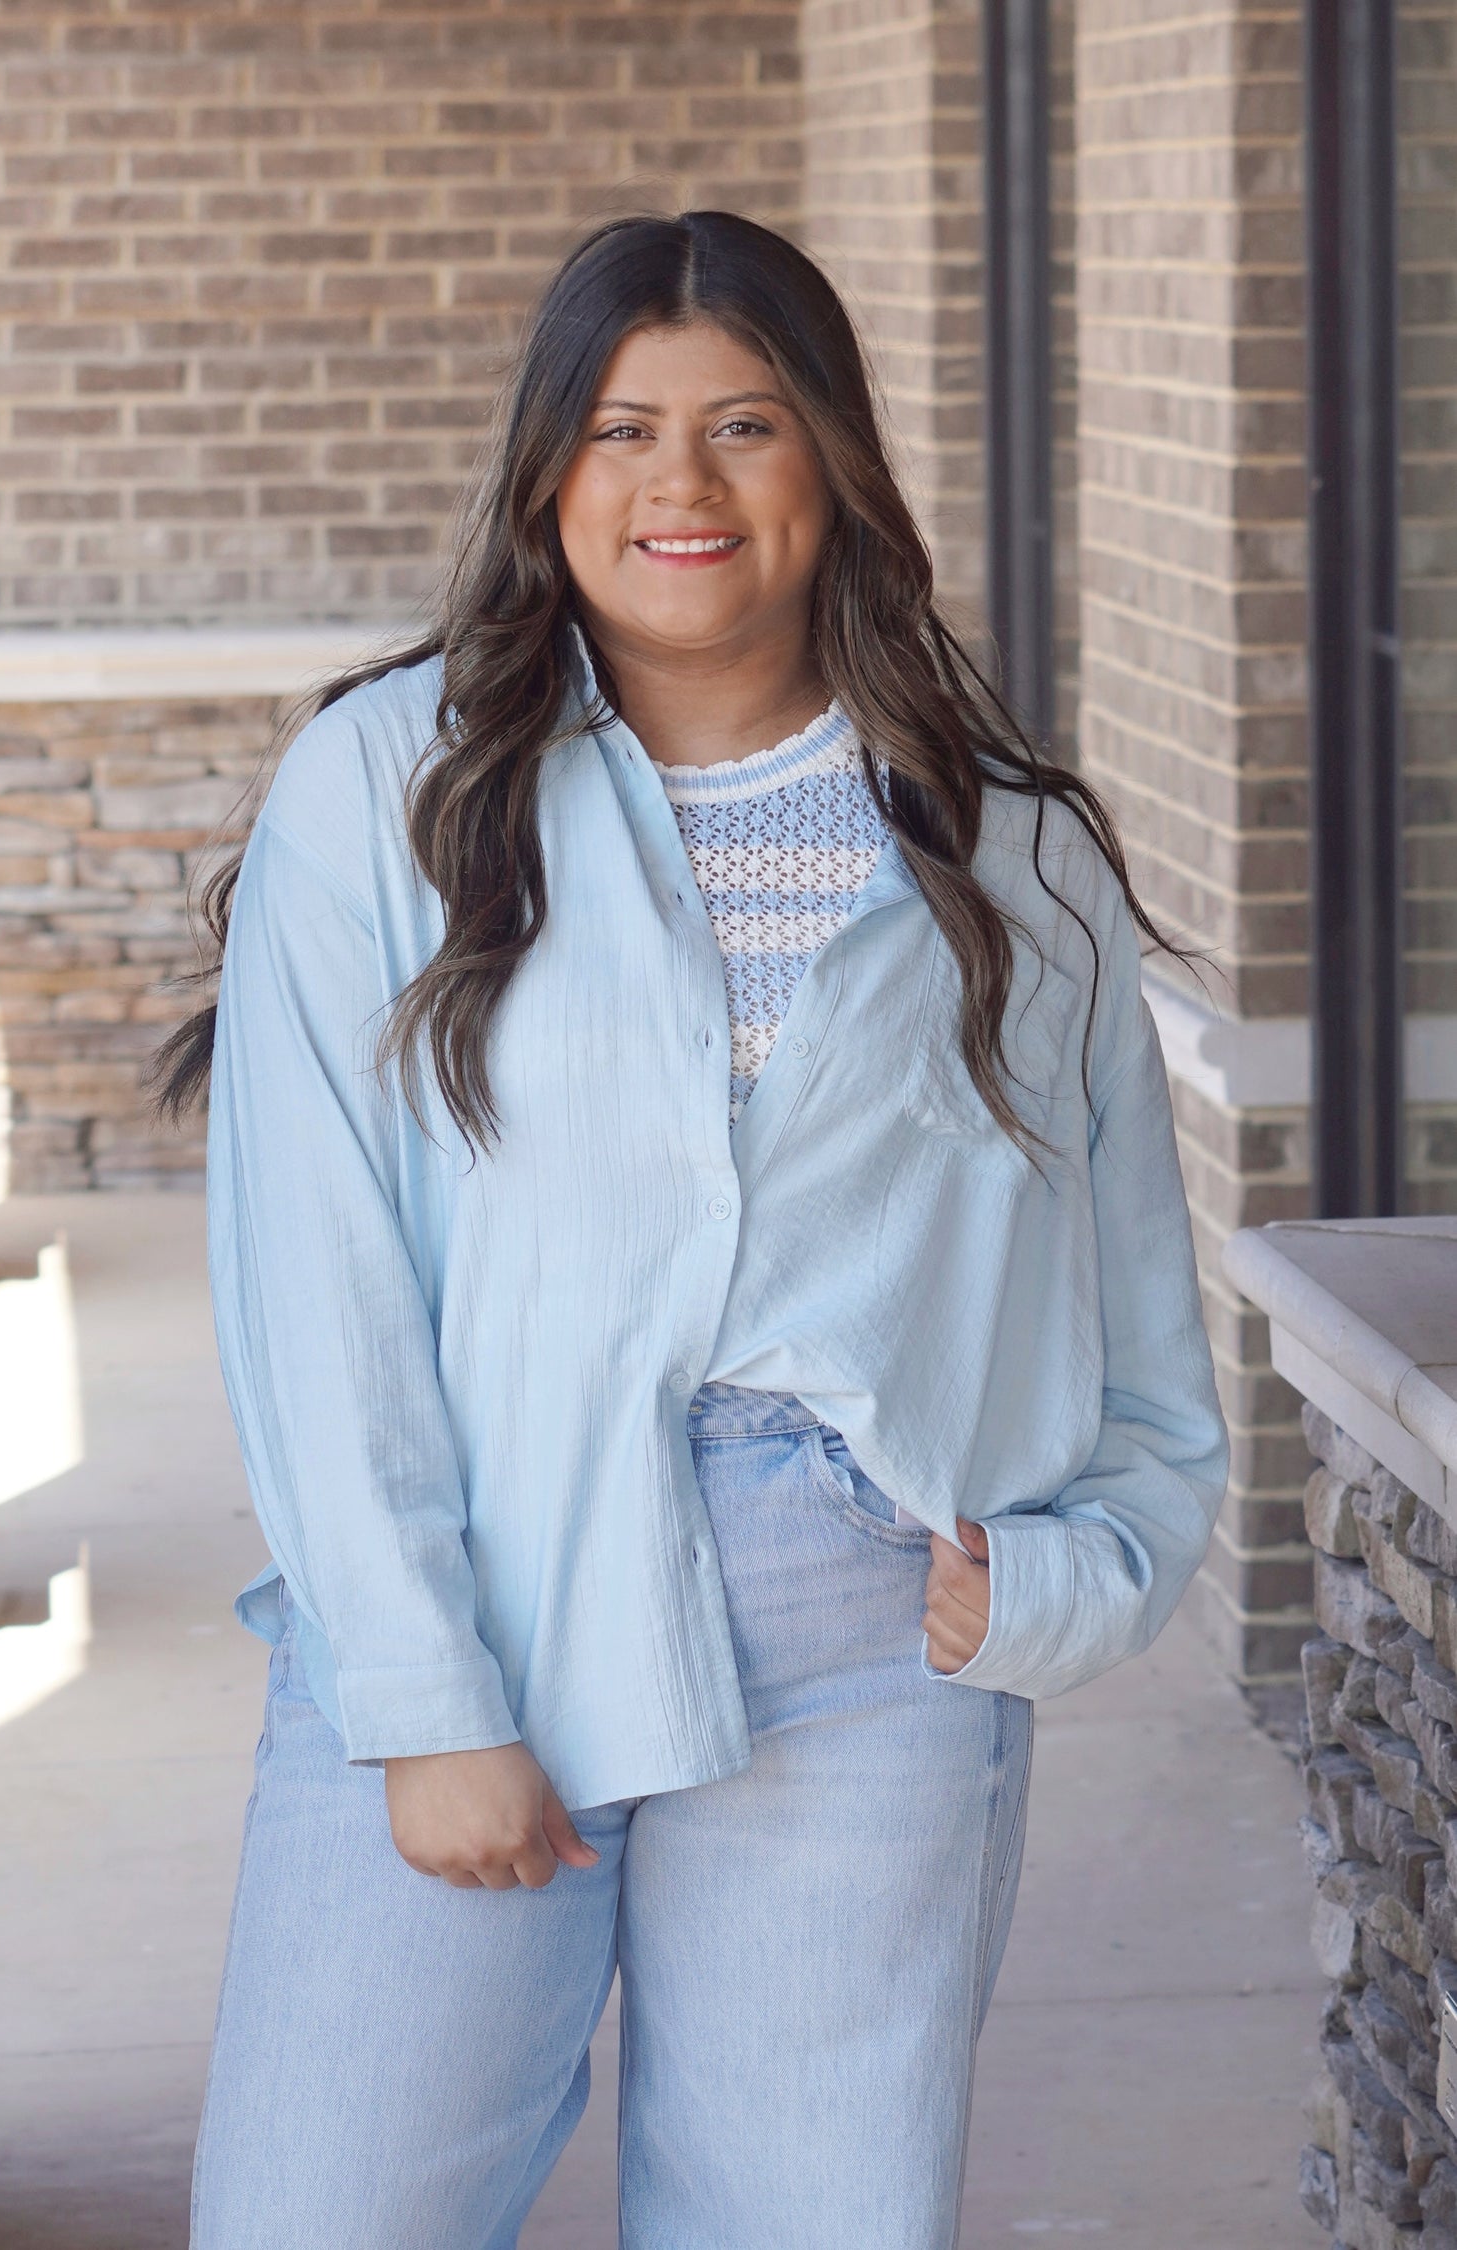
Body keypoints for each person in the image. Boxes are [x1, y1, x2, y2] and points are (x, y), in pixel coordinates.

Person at [161, 209, 1228, 2249]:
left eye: (746, 425)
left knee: (807, 2216)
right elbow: (316, 1283)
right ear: (548, 470)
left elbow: (1136, 1331)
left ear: (833, 464)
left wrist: (1060, 1583)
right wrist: (421, 1692)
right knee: (329, 2203)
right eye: (626, 428)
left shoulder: (1012, 848)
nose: (683, 485)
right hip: (497, 1583)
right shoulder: (385, 789)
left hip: (870, 1623)